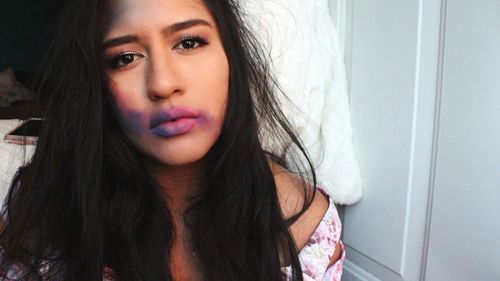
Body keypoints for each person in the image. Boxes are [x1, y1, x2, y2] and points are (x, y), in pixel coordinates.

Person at [0, 0, 344, 280]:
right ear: (98, 87)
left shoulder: (306, 224)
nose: (163, 84)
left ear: (231, 57)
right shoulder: (40, 208)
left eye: (189, 42)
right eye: (125, 58)